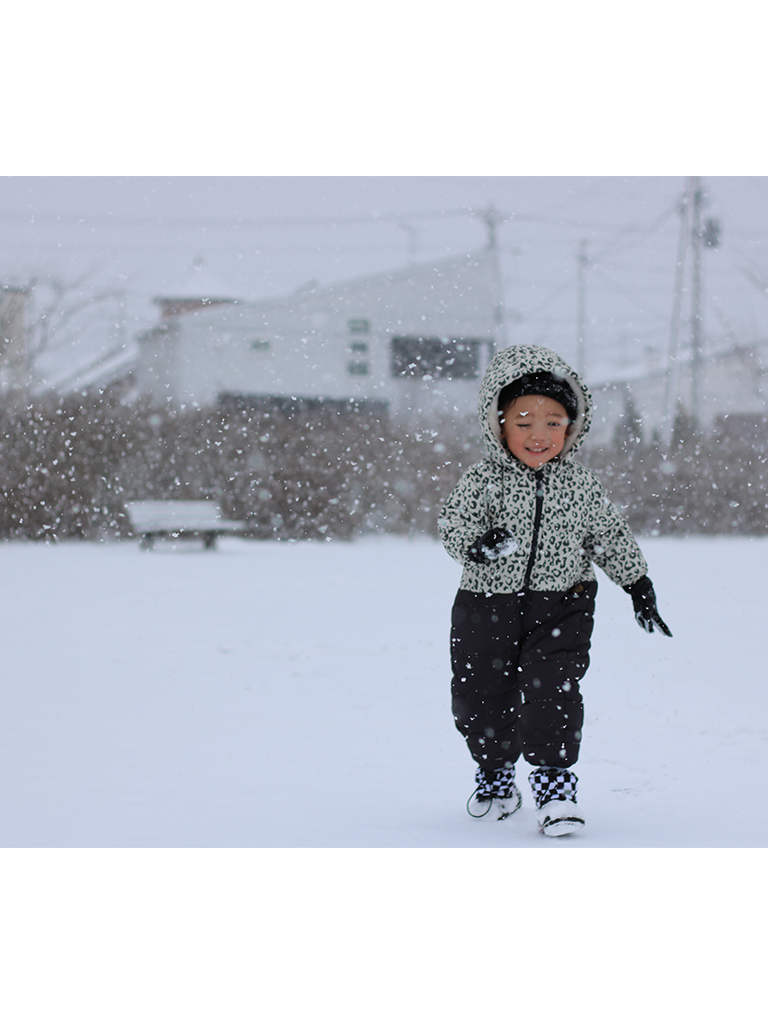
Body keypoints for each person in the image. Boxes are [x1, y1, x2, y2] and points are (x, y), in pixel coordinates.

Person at [438, 344, 671, 837]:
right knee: (479, 697)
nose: (539, 435)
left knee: (552, 694)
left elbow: (609, 535)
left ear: (573, 425)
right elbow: (452, 524)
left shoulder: (581, 485)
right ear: (497, 423)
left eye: (553, 421)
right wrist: (477, 547)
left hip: (562, 605)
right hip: (485, 606)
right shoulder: (483, 480)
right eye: (523, 422)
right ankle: (497, 775)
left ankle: (554, 784)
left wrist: (637, 582)